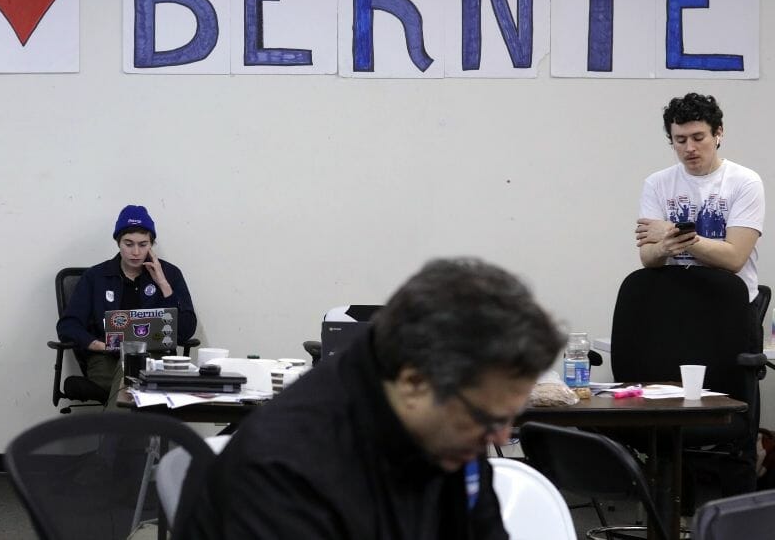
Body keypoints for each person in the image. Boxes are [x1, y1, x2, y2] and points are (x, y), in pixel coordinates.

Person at [181, 258, 564, 540]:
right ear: (414, 382)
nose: (500, 437)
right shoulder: (283, 468)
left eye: (509, 418)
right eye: (489, 419)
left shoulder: (453, 430)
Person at [635, 93, 765, 304]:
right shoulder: (656, 183)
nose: (689, 148)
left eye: (698, 138)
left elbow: (734, 259)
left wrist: (670, 231)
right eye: (680, 140)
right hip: (676, 303)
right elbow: (648, 257)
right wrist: (662, 248)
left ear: (718, 133)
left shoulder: (745, 181)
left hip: (730, 304)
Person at [56, 205, 196, 395]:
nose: (136, 252)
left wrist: (163, 284)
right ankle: (138, 408)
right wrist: (100, 345)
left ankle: (120, 416)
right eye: (128, 244)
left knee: (131, 381)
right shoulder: (95, 277)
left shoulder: (170, 274)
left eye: (143, 244)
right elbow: (68, 326)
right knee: (135, 381)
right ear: (118, 242)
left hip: (156, 357)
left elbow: (186, 331)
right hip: (107, 358)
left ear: (152, 244)